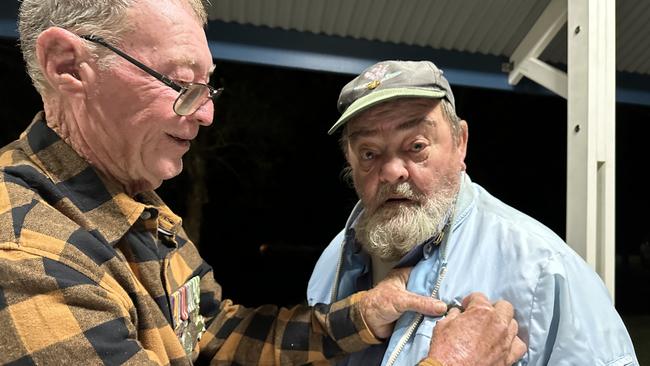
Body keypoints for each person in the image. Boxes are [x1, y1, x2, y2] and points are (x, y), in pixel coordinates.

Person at [0, 1, 526, 365]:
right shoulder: (23, 257)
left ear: (460, 143)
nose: (206, 114)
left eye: (208, 87)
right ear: (68, 65)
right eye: (181, 85)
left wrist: (358, 315)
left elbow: (213, 335)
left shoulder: (138, 208)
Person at [308, 60, 639, 365]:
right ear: (350, 162)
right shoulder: (332, 262)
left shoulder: (543, 270)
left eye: (417, 146)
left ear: (460, 142)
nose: (392, 170)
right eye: (368, 153)